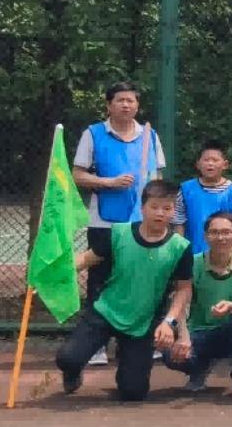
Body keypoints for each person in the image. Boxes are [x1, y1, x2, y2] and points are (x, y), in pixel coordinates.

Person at [56, 180, 191, 400]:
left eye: (167, 208)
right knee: (67, 358)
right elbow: (85, 259)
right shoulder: (119, 233)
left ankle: (127, 368)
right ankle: (73, 372)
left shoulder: (180, 247)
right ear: (142, 207)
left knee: (133, 392)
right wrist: (53, 277)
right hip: (106, 311)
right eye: (154, 207)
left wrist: (169, 322)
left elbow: (184, 289)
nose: (160, 213)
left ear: (173, 211)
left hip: (142, 322)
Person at [71, 82, 166, 364]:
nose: (126, 105)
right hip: (105, 222)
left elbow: (158, 178)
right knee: (100, 280)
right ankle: (96, 346)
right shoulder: (93, 134)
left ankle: (145, 339)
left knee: (145, 280)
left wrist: (156, 210)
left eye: (131, 100)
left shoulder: (150, 135)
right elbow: (78, 175)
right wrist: (109, 182)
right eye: (120, 100)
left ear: (137, 105)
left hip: (142, 223)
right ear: (109, 105)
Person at [165, 211, 232, 400]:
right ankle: (198, 369)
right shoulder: (192, 263)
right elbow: (182, 302)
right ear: (205, 236)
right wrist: (183, 336)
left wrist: (231, 306)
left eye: (226, 232)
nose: (220, 237)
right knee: (169, 353)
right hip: (200, 331)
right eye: (214, 232)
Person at [173, 141, 232, 255]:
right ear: (198, 164)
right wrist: (180, 253)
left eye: (215, 160)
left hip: (227, 255)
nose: (210, 164)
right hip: (193, 253)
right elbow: (178, 223)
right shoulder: (186, 190)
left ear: (225, 164)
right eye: (206, 160)